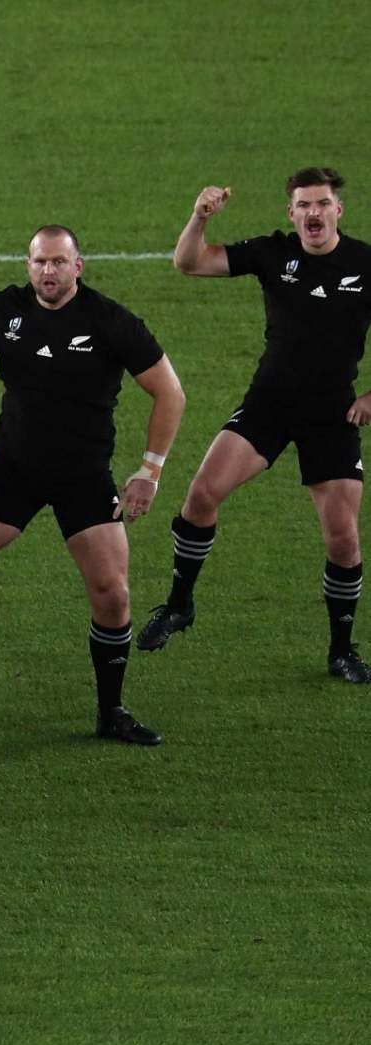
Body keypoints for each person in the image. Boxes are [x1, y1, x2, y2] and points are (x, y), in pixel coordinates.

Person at [0, 228, 184, 743]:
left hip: (84, 476)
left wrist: (148, 471)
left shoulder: (109, 320)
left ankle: (111, 711)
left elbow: (169, 392)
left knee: (112, 594)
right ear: (28, 265)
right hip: (12, 470)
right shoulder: (5, 309)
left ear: (78, 267)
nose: (48, 272)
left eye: (59, 263)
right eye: (40, 262)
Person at [151, 170, 370, 682]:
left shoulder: (365, 264)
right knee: (201, 495)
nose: (312, 213)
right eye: (302, 205)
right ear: (290, 214)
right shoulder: (274, 253)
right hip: (268, 405)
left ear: (339, 210)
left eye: (322, 204)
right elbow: (189, 262)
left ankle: (341, 650)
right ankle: (180, 605)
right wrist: (198, 218)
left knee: (342, 539)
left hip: (331, 416)